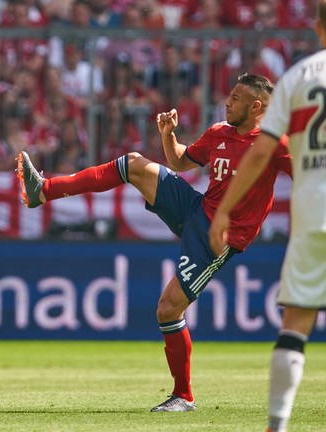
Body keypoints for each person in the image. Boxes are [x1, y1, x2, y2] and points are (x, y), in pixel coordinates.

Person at [17, 72, 291, 412]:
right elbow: (179, 161)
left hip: (219, 238)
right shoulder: (220, 132)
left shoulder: (275, 144)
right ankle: (43, 190)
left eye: (235, 98)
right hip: (197, 208)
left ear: (256, 106)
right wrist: (168, 134)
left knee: (168, 308)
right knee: (134, 164)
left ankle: (184, 396)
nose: (227, 102)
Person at [209, 3, 326, 430]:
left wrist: (223, 208)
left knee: (296, 322)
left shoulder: (297, 78)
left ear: (317, 27)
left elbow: (261, 150)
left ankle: (276, 424)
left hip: (314, 213)